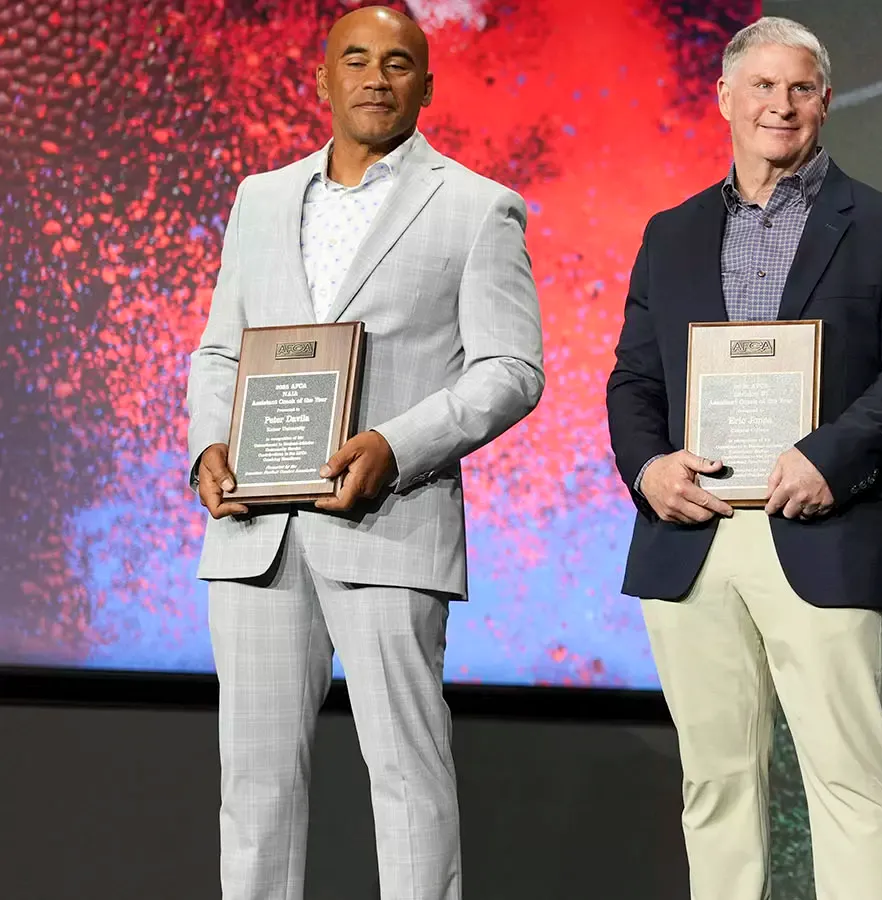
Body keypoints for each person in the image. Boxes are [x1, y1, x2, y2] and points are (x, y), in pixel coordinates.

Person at [184, 7, 544, 899]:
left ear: (427, 83)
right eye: (356, 59)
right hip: (255, 531)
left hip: (389, 523)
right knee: (254, 789)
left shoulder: (475, 206)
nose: (376, 76)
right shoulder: (260, 199)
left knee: (410, 782)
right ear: (322, 78)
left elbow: (511, 370)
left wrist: (398, 443)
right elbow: (221, 351)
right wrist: (207, 450)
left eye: (397, 62)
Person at [605, 15, 882, 900]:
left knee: (851, 780)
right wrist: (650, 470)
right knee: (715, 785)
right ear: (723, 98)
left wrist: (827, 458)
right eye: (761, 86)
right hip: (695, 535)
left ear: (826, 103)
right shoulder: (670, 232)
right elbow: (632, 381)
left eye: (800, 88)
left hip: (823, 525)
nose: (781, 105)